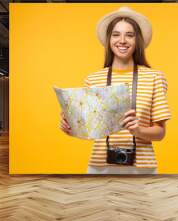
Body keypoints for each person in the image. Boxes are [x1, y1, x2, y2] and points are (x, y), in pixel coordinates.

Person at [60, 7, 171, 174]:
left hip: (143, 167)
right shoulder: (93, 79)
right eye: (116, 34)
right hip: (99, 166)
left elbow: (160, 133)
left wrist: (138, 130)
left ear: (137, 40)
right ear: (109, 39)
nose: (123, 40)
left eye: (130, 35)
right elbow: (88, 129)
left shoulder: (154, 77)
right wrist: (71, 128)